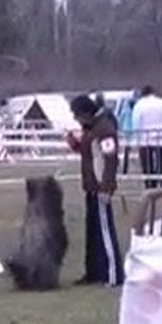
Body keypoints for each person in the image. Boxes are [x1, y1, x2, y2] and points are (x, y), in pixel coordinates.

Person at [67, 95, 124, 287]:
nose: (76, 119)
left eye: (77, 115)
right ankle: (94, 272)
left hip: (100, 188)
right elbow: (88, 152)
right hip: (91, 187)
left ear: (86, 112)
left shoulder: (104, 130)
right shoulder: (91, 129)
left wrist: (106, 186)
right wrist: (74, 143)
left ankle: (114, 276)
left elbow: (110, 159)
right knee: (93, 233)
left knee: (105, 232)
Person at [131, 84, 162, 189]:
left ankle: (149, 185)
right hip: (160, 138)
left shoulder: (138, 105)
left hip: (145, 140)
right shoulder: (160, 103)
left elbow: (136, 123)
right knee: (161, 162)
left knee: (147, 165)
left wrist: (136, 138)